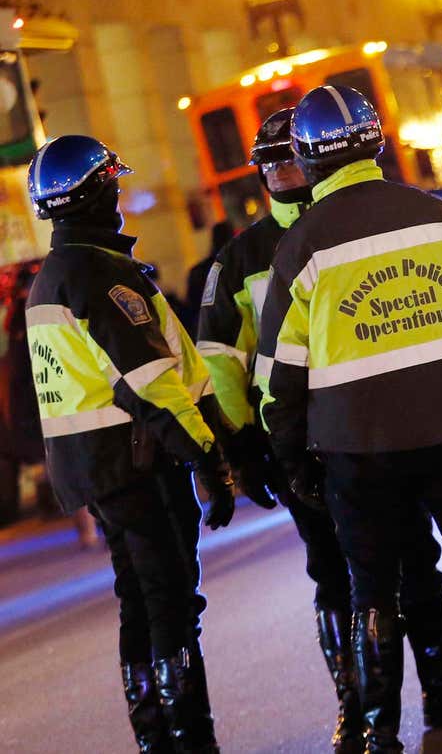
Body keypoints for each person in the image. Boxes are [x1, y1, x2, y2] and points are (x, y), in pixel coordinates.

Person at [257, 85, 442, 751]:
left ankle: (379, 736)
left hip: (356, 451)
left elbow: (278, 379)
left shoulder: (301, 246)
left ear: (309, 161)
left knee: (372, 593)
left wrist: (290, 460)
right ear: (377, 144)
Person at [196, 109, 442, 751]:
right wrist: (248, 449)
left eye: (290, 160)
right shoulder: (243, 257)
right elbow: (223, 362)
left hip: (371, 438)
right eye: (271, 164)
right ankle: (356, 709)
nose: (284, 173)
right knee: (338, 580)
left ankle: (438, 690)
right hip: (305, 447)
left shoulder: (337, 228)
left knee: (418, 565)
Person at [24, 135, 237, 753]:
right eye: (113, 182)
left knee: (139, 603)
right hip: (138, 466)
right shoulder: (101, 276)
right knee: (170, 602)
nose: (120, 192)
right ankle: (191, 741)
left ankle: (155, 739)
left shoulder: (54, 281)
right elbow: (153, 387)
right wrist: (209, 458)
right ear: (97, 194)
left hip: (99, 472)